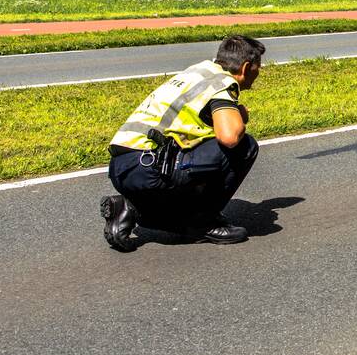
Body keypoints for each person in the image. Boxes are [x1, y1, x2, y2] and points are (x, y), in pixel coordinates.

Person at [100, 35, 265, 251]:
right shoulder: (222, 83)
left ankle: (131, 207)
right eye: (258, 66)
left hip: (122, 165)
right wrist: (240, 115)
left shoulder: (196, 73)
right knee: (245, 146)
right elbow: (230, 136)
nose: (259, 72)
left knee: (201, 154)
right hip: (150, 167)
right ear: (245, 67)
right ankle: (203, 223)